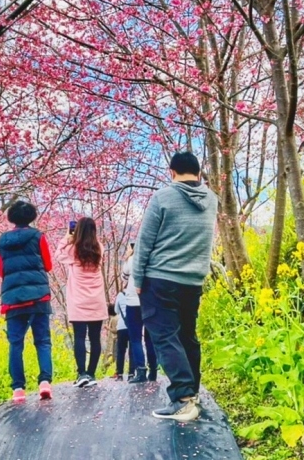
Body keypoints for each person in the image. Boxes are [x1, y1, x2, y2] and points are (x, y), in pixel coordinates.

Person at [133, 151, 218, 422]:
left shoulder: (163, 197)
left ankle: (182, 400)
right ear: (199, 173)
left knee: (165, 336)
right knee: (186, 336)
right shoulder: (212, 199)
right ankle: (191, 392)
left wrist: (136, 280)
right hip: (192, 281)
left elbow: (144, 242)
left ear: (172, 172)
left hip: (160, 278)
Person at [0, 200, 54, 403]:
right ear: (31, 216)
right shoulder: (38, 236)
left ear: (12, 217)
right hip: (38, 296)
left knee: (16, 344)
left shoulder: (2, 241)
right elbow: (48, 265)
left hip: (13, 299)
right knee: (43, 341)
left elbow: (1, 270)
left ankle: (18, 389)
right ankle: (45, 382)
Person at [55, 217, 109, 388]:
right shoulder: (99, 248)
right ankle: (92, 374)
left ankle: (81, 374)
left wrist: (67, 237)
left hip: (78, 299)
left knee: (79, 336)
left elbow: (58, 255)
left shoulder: (73, 248)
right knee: (95, 338)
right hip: (96, 299)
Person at [122, 241, 157, 384]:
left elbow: (124, 277)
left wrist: (127, 257)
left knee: (135, 338)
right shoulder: (153, 259)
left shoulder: (131, 260)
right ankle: (153, 370)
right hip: (150, 301)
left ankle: (141, 370)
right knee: (150, 338)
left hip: (132, 302)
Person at [111, 291, 131, 381]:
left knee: (121, 351)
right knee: (133, 350)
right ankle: (132, 373)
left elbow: (116, 311)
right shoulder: (135, 293)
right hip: (132, 326)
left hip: (122, 327)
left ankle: (119, 374)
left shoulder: (120, 295)